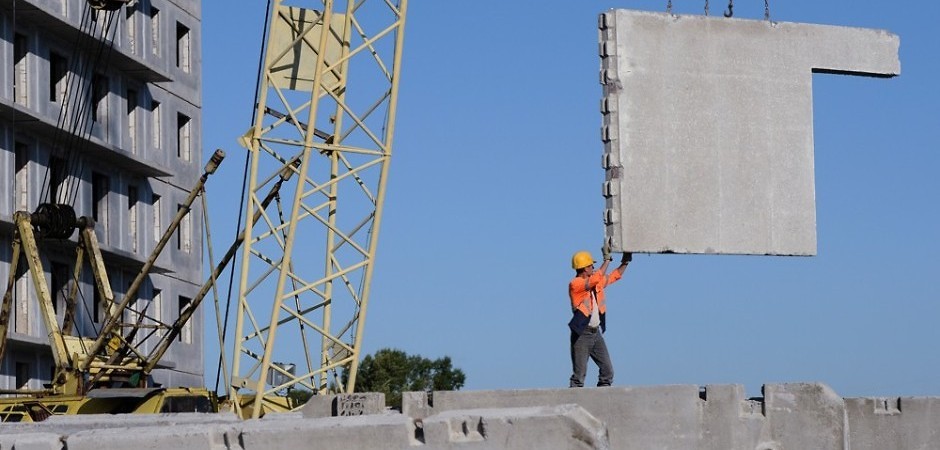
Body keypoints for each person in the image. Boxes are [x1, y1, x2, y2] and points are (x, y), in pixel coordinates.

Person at [567, 247, 631, 387]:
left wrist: (625, 262)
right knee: (579, 376)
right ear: (584, 268)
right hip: (582, 334)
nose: (593, 267)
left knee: (607, 371)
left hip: (595, 334)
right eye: (591, 265)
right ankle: (573, 401)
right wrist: (607, 259)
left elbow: (613, 276)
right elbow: (596, 279)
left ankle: (603, 400)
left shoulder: (594, 282)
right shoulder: (575, 284)